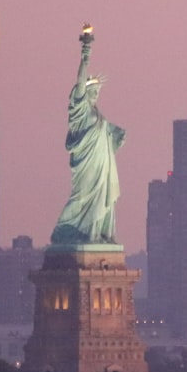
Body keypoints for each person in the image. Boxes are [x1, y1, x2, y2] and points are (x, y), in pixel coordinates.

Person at [50, 24, 126, 245]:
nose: (95, 94)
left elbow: (107, 135)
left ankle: (98, 234)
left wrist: (116, 135)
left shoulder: (98, 115)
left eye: (97, 92)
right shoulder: (80, 110)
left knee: (102, 198)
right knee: (81, 197)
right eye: (93, 91)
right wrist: (86, 54)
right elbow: (80, 82)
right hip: (86, 166)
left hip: (102, 167)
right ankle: (65, 231)